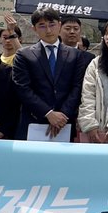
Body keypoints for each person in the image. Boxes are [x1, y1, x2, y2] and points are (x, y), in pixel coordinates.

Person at [11, 7, 92, 141]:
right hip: (34, 119)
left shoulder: (75, 55)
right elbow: (22, 88)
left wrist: (62, 116)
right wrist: (48, 113)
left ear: (59, 25)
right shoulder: (24, 55)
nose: (48, 30)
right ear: (34, 29)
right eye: (42, 26)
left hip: (65, 122)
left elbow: (77, 87)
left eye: (52, 24)